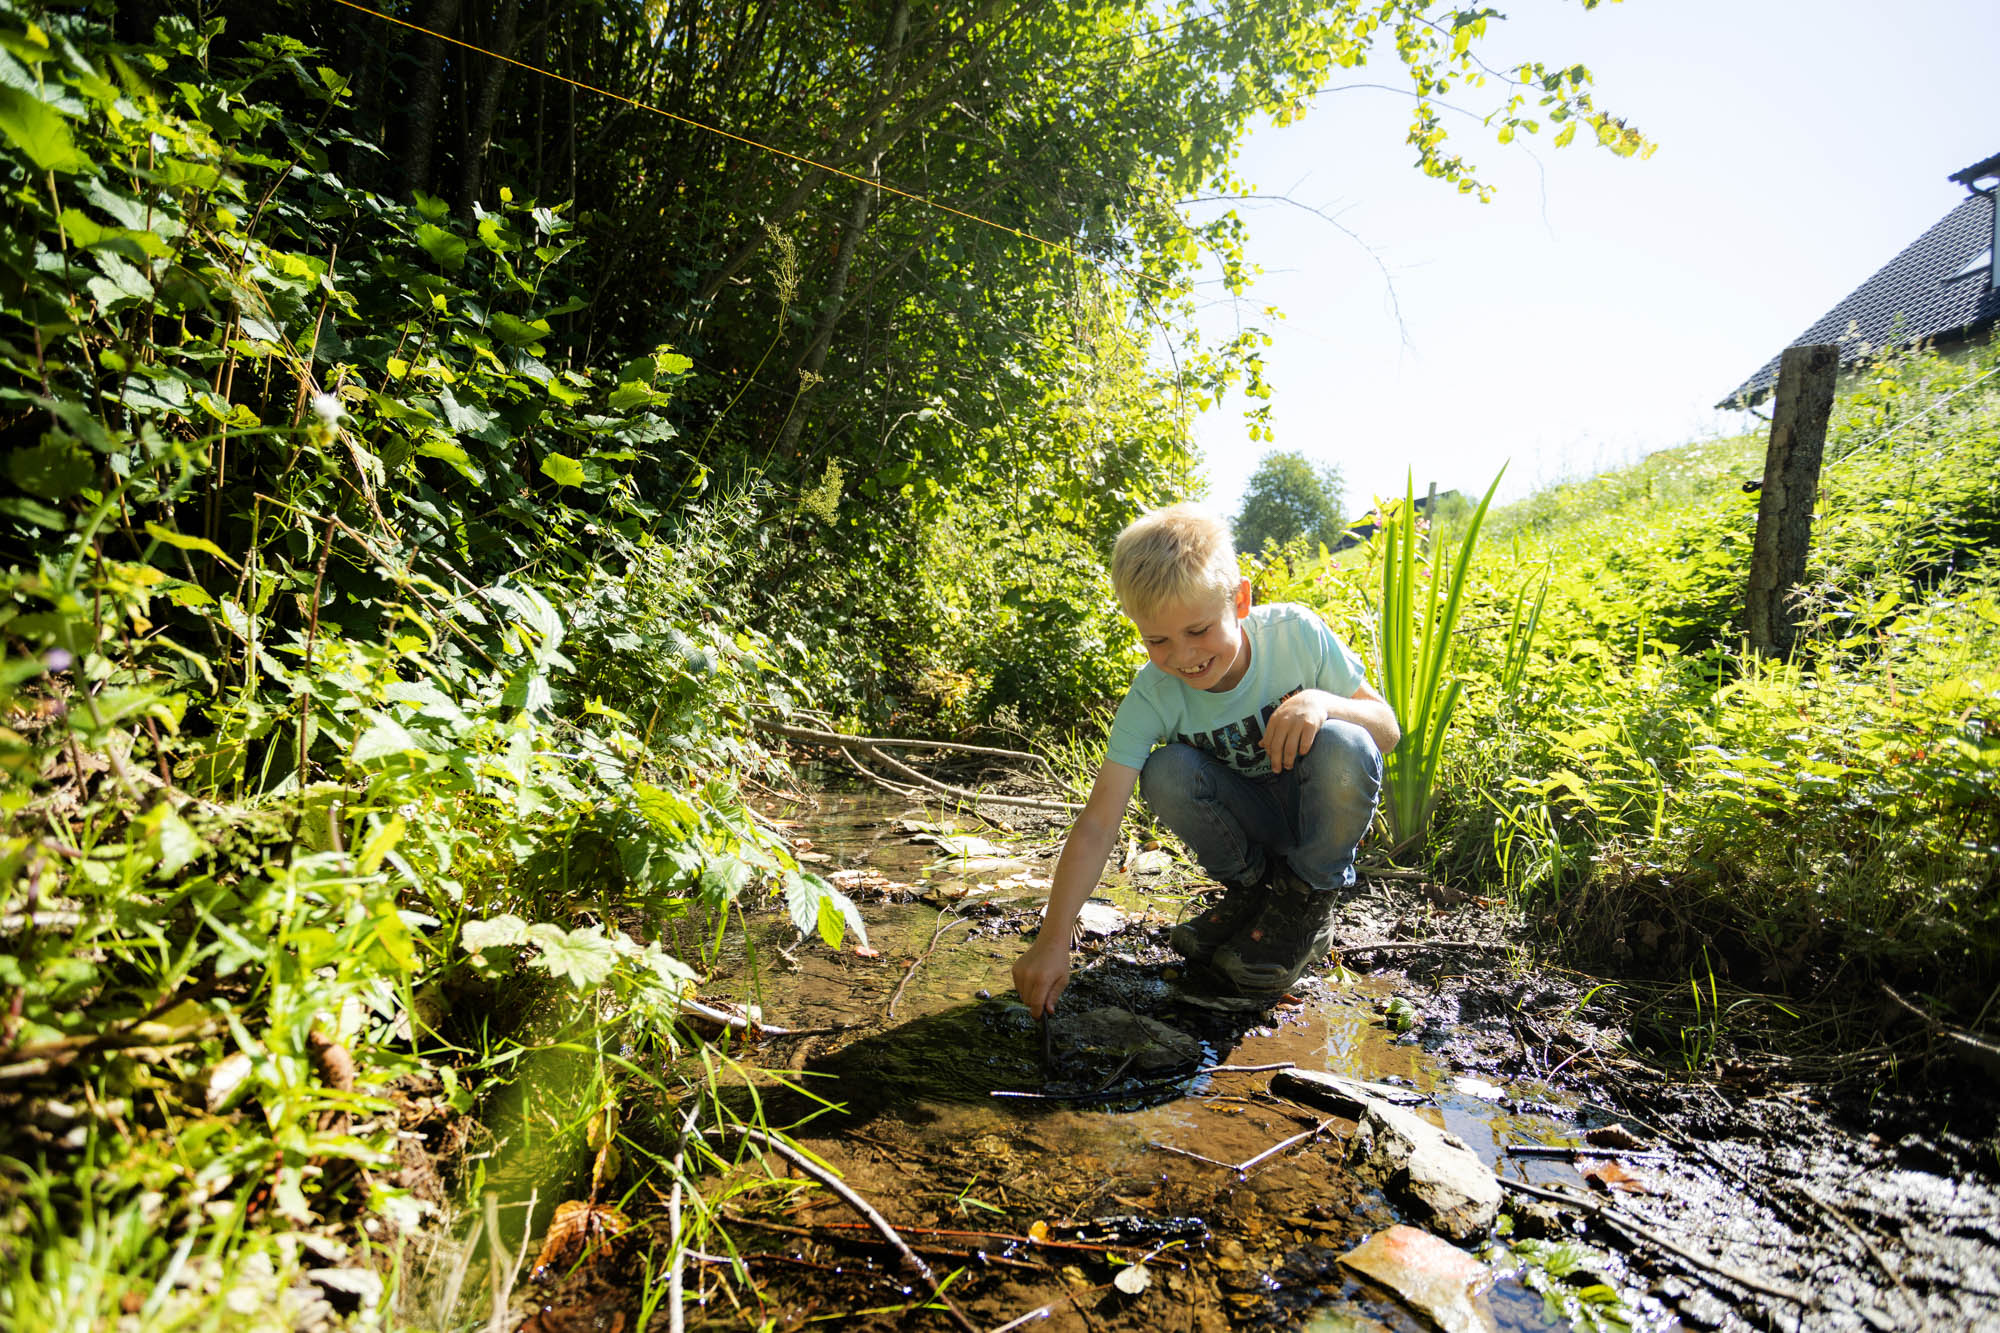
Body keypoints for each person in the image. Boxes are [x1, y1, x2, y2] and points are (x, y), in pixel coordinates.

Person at [1010, 504, 1400, 1018]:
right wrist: (1053, 938)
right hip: (1250, 825)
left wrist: (1323, 702)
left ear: (1240, 600)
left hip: (1315, 815)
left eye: (1197, 630)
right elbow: (1100, 820)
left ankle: (1307, 898)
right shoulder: (1153, 695)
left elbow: (1386, 729)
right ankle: (1253, 893)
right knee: (1167, 768)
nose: (1182, 656)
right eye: (1157, 640)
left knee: (1347, 743)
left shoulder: (1294, 635)